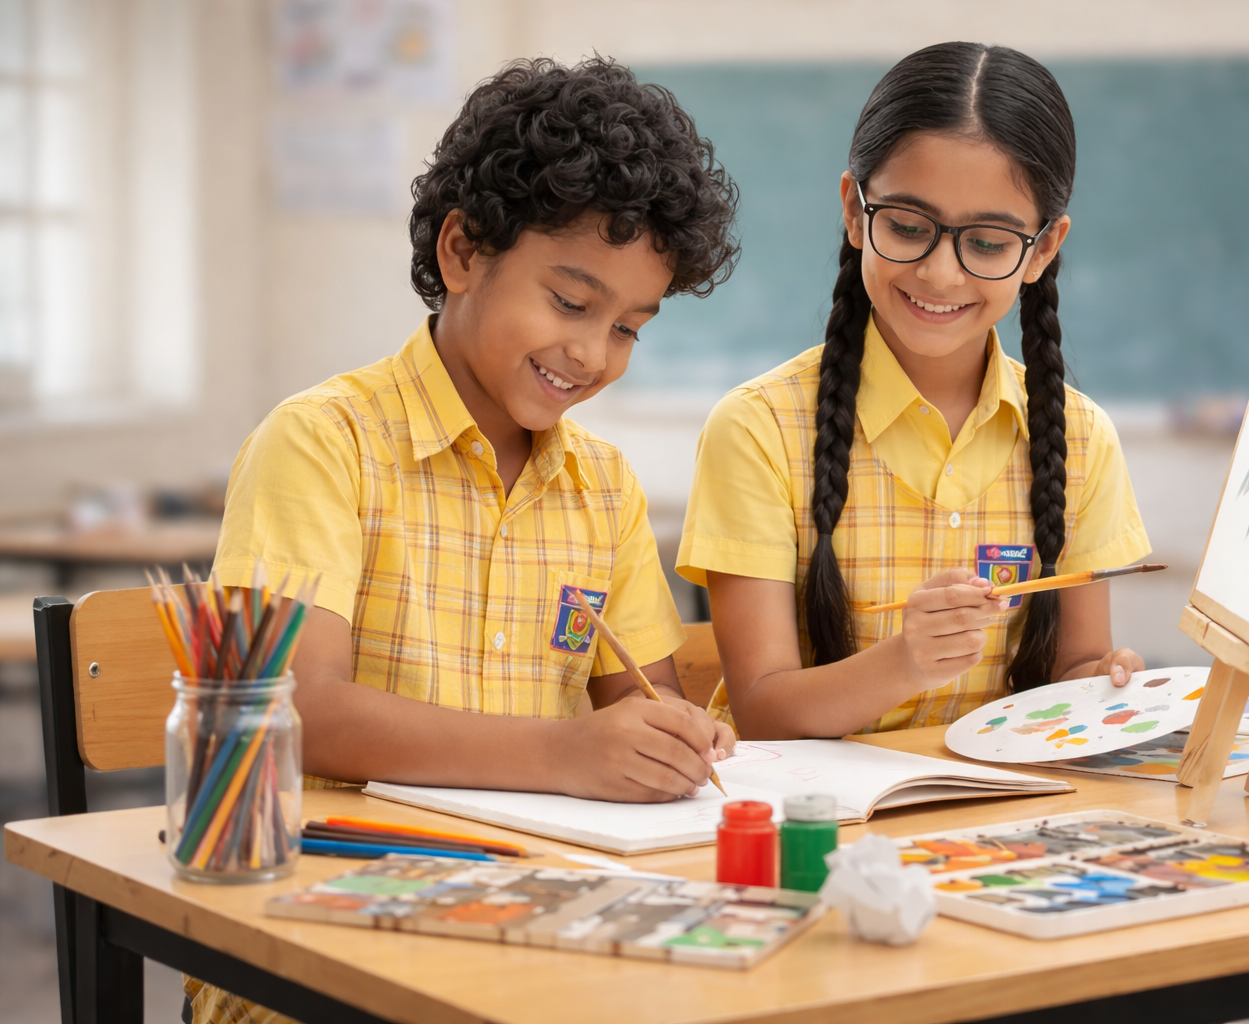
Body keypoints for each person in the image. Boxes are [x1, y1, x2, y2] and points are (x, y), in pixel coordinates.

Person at [192, 52, 740, 1024]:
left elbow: (641, 700)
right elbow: (299, 708)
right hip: (315, 935)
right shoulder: (324, 443)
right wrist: (570, 752)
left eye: (629, 328)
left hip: (533, 920)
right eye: (571, 303)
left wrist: (671, 742)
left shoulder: (601, 487)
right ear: (462, 251)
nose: (591, 353)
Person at [678, 43, 1152, 740]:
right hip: (819, 825)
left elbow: (1072, 670)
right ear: (852, 208)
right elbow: (762, 709)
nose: (938, 274)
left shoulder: (1081, 439)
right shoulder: (759, 429)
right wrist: (905, 661)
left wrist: (1102, 686)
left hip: (993, 830)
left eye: (987, 243)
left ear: (1043, 250)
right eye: (906, 226)